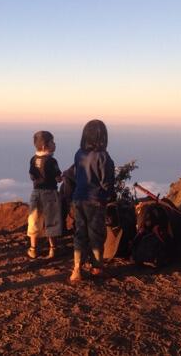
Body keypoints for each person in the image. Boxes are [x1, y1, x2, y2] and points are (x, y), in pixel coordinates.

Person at [69, 119, 115, 283]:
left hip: (78, 198)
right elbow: (106, 182)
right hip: (96, 201)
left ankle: (76, 270)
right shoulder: (103, 157)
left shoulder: (78, 153)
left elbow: (76, 174)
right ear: (103, 137)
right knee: (96, 235)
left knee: (80, 233)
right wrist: (110, 195)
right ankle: (97, 267)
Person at [27, 130, 63, 259]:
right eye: (52, 142)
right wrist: (62, 178)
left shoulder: (33, 159)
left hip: (36, 193)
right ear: (45, 146)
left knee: (34, 220)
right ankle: (52, 249)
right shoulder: (52, 161)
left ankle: (33, 249)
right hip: (50, 194)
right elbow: (58, 178)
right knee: (51, 221)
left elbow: (32, 176)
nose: (55, 144)